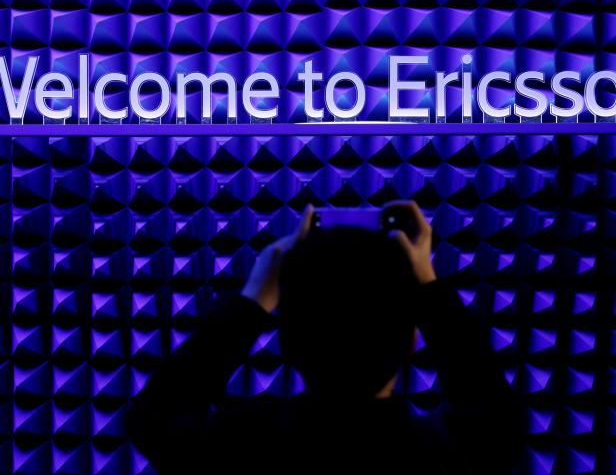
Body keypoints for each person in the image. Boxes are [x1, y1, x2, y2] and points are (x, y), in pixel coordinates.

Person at [126, 202, 525, 474]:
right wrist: (428, 287)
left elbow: (153, 417)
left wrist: (254, 300)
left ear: (286, 341)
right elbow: (498, 418)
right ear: (411, 341)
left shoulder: (239, 447)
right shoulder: (445, 455)